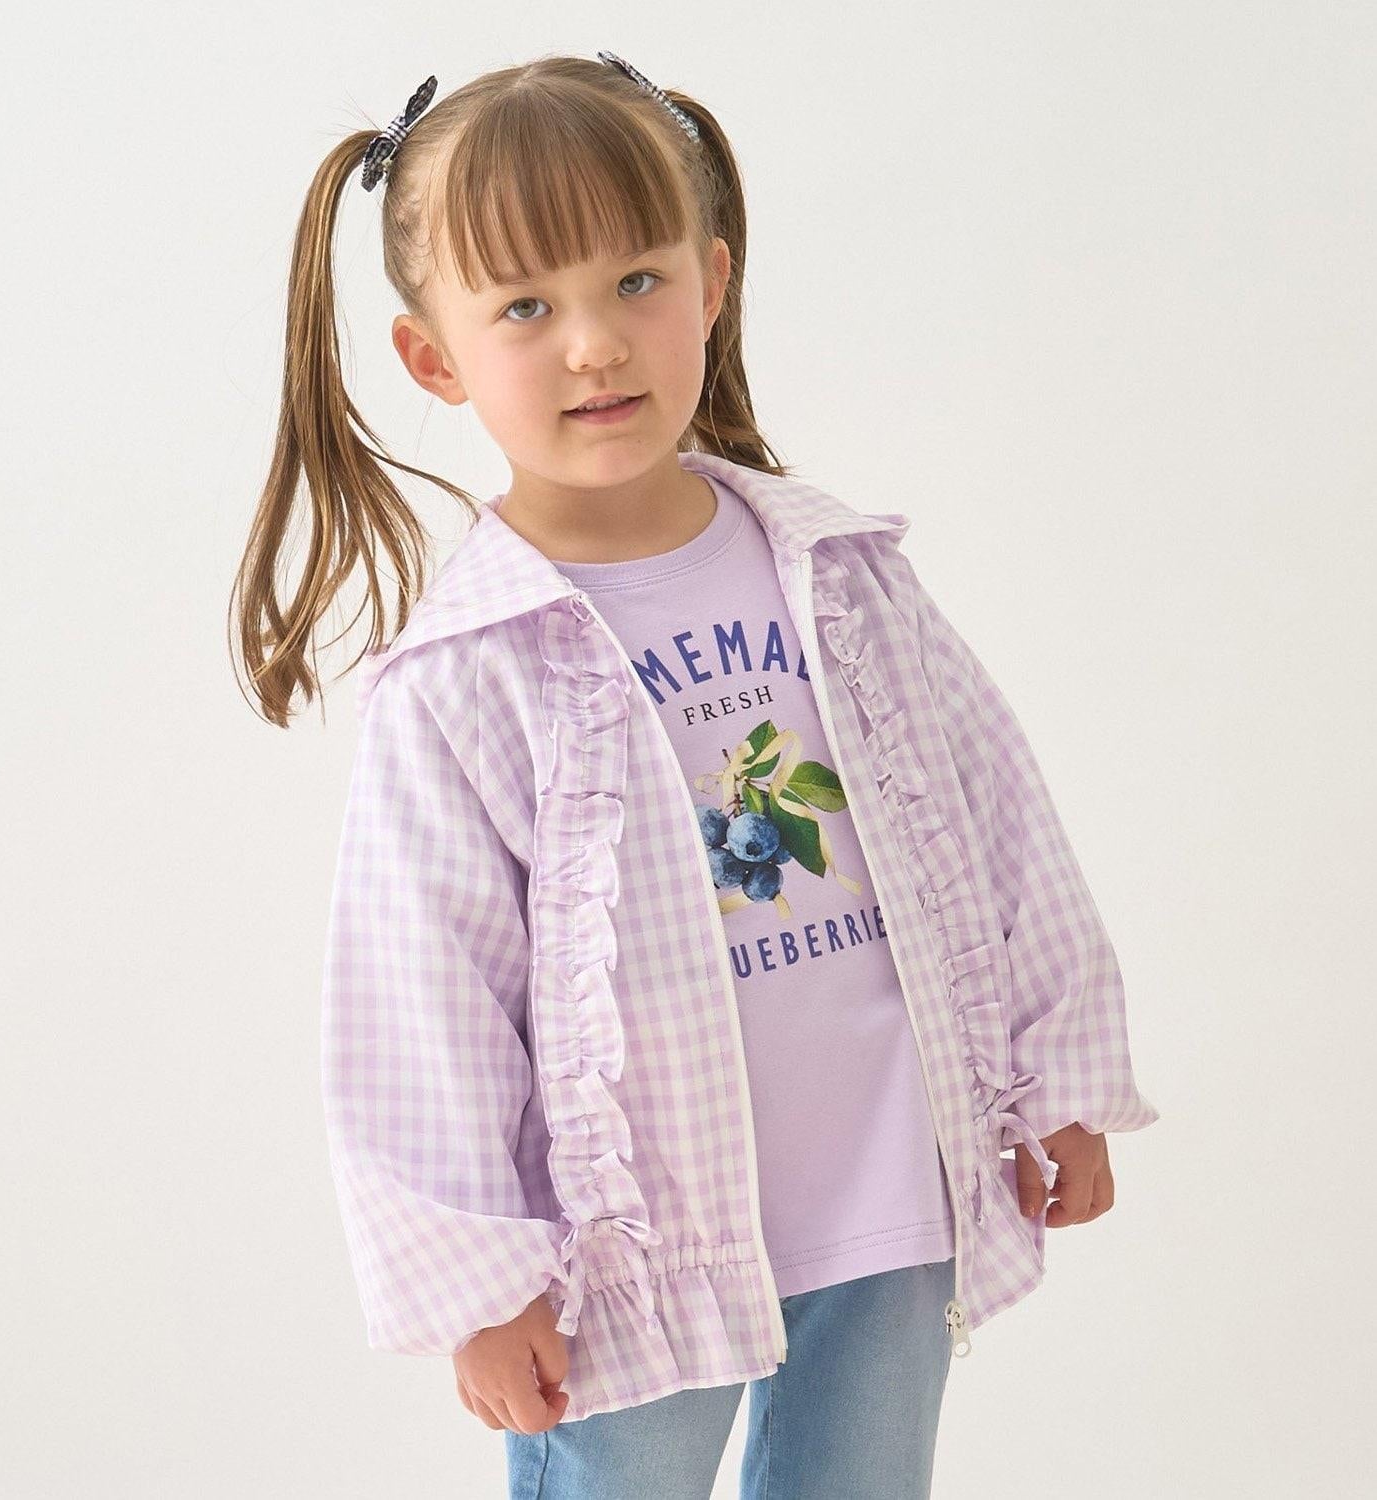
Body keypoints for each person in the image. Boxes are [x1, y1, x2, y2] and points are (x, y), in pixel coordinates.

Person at [229, 52, 1160, 1500]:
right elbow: (424, 990)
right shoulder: (470, 671)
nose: (595, 345)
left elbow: (998, 821)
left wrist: (1060, 1076)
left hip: (887, 1178)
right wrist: (480, 1281)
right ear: (433, 358)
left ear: (711, 281)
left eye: (637, 282)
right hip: (635, 1253)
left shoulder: (839, 573)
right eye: (526, 308)